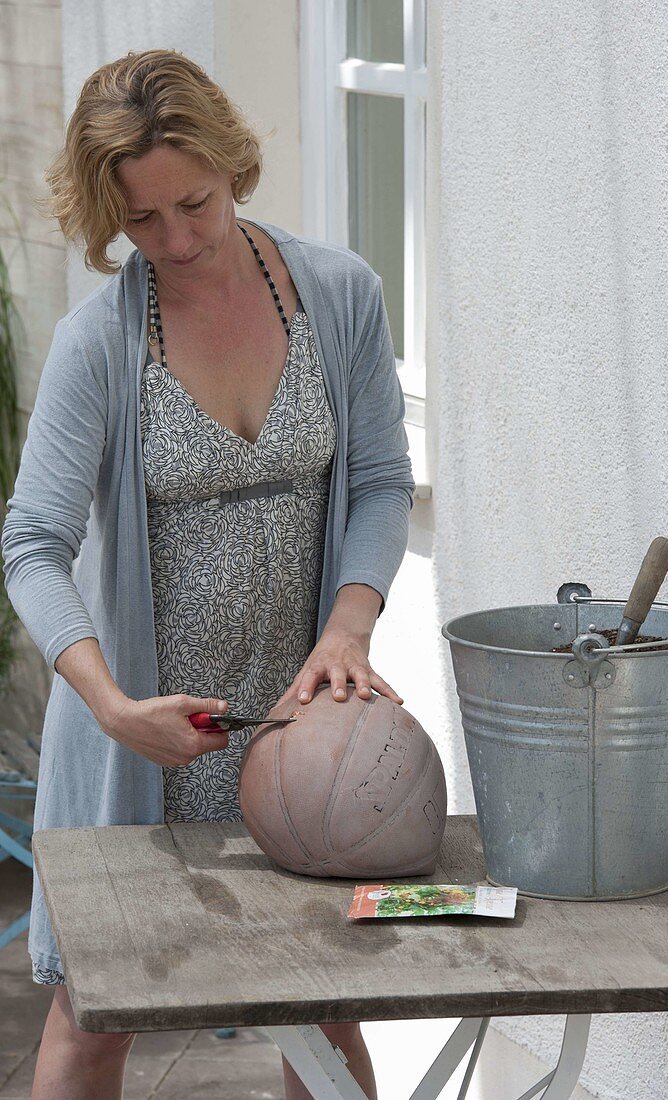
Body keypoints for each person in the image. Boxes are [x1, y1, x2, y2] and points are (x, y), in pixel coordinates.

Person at [1, 48, 414, 1100]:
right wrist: (110, 707)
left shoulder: (338, 294)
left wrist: (348, 632)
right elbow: (31, 543)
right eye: (142, 222)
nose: (177, 241)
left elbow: (378, 484)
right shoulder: (99, 343)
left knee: (326, 993)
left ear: (233, 160)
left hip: (297, 717)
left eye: (196, 202)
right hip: (150, 730)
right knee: (98, 1006)